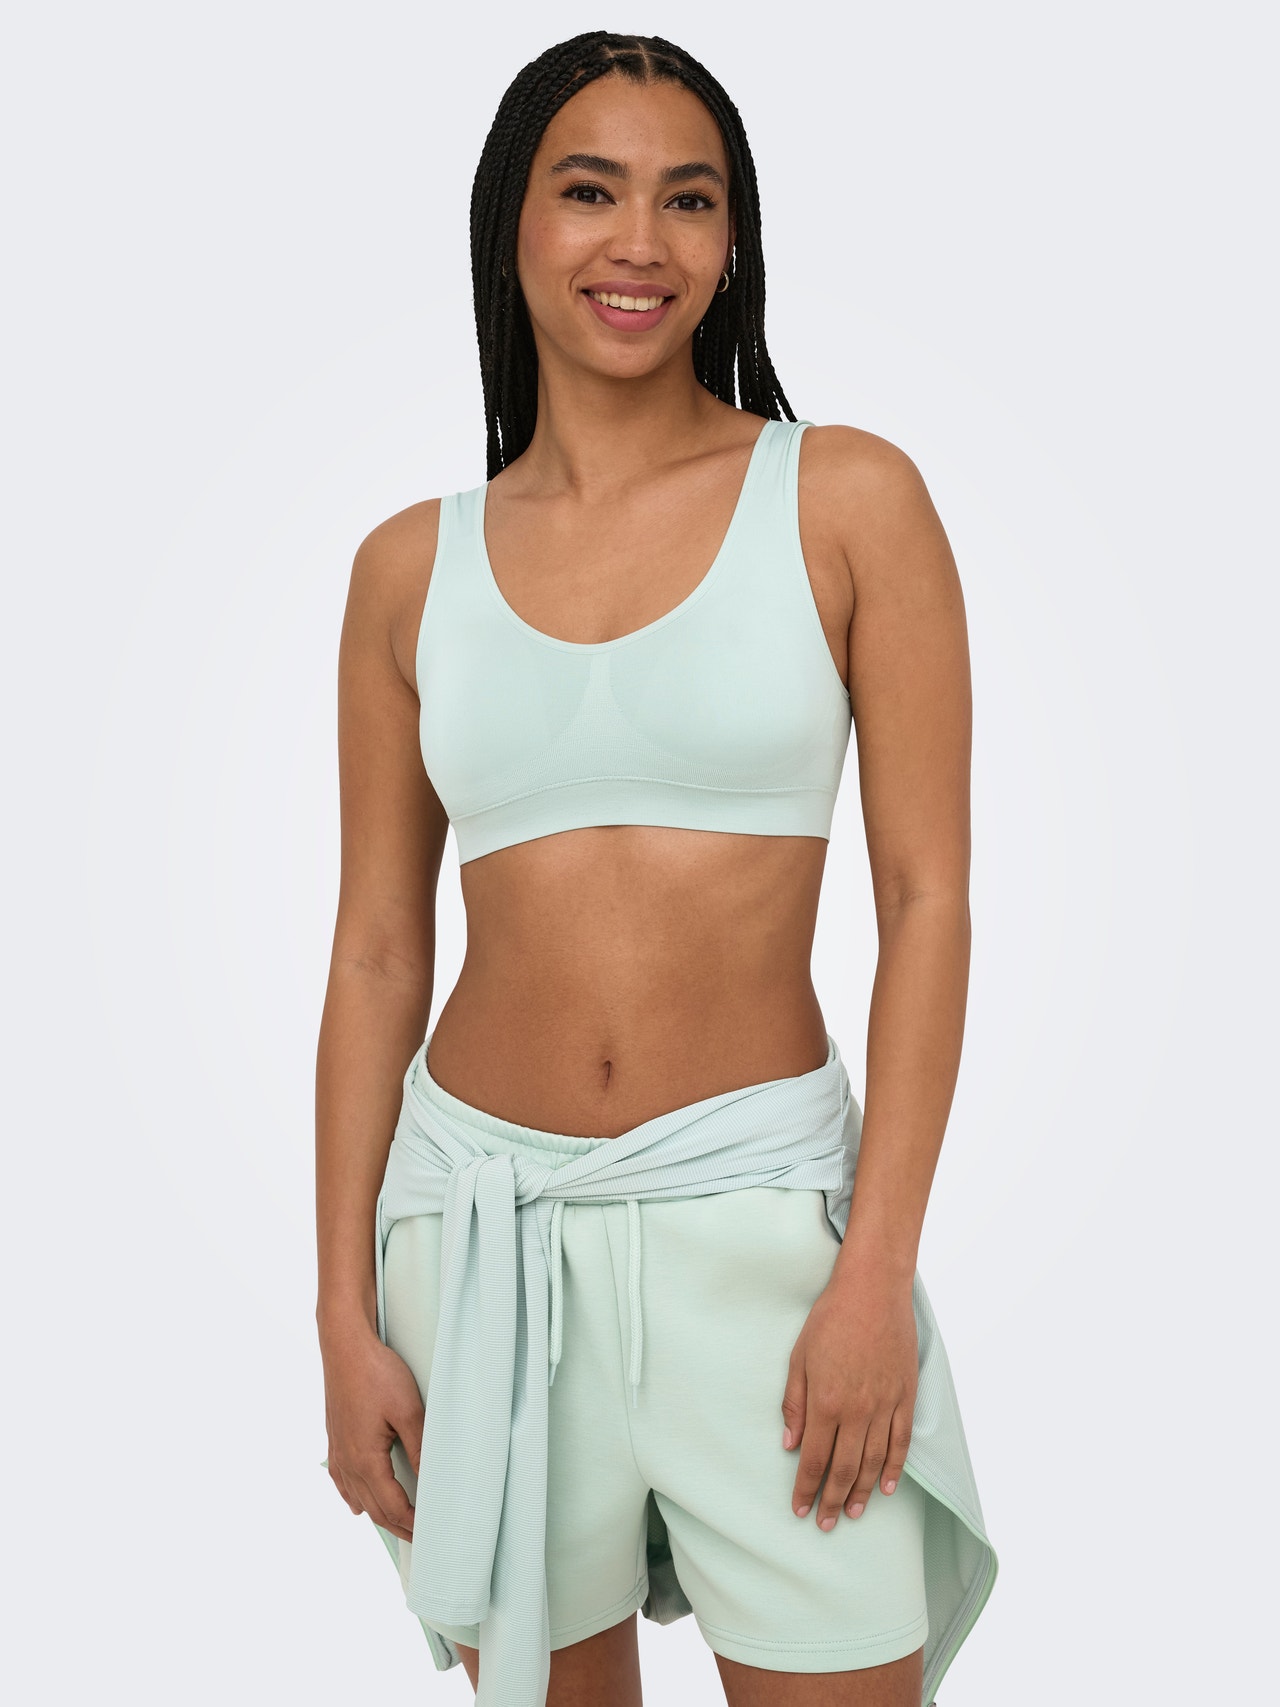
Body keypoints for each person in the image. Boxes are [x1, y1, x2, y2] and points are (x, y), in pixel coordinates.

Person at [315, 30, 997, 1707]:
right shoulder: (409, 570)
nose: (641, 242)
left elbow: (927, 904)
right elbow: (378, 952)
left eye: (688, 199)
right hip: (479, 1246)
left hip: (764, 1240)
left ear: (733, 240)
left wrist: (873, 1272)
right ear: (511, 223)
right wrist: (341, 1312)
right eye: (590, 191)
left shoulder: (845, 500)